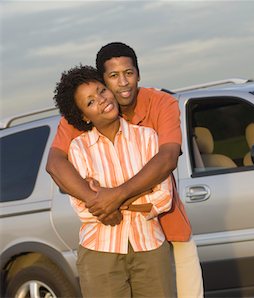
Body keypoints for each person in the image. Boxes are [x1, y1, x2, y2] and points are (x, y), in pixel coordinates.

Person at [46, 42, 203, 297]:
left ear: (138, 74)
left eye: (129, 73)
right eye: (113, 76)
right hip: (104, 241)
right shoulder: (81, 122)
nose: (123, 83)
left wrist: (112, 197)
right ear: (104, 80)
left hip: (163, 230)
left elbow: (167, 162)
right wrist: (96, 200)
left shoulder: (158, 110)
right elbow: (55, 164)